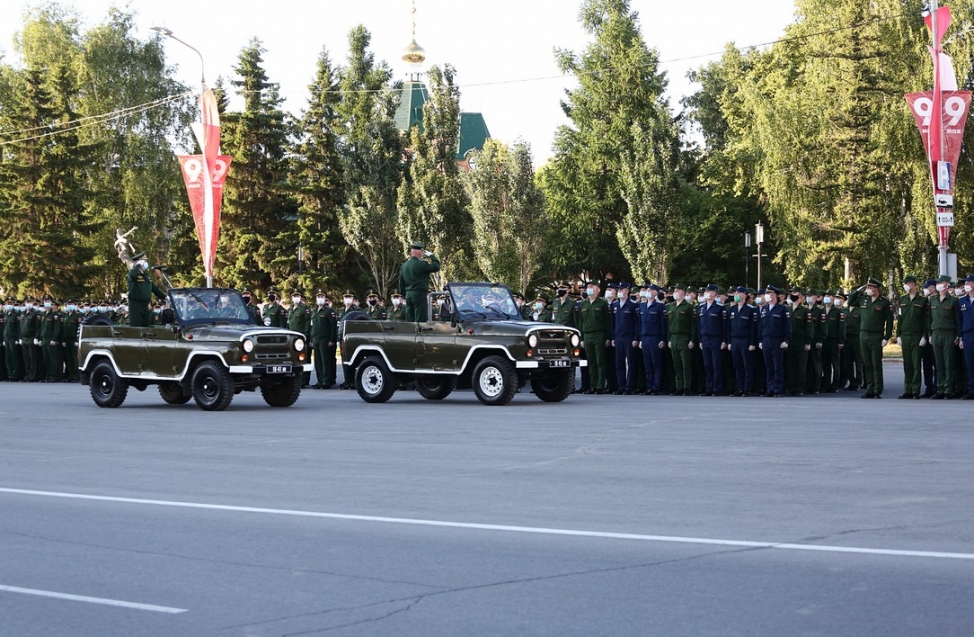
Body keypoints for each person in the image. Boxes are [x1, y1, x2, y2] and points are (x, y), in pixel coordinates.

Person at [853, 277, 894, 399]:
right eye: (867, 287)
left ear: (877, 289)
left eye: (871, 287)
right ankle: (869, 389)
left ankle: (877, 390)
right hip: (863, 334)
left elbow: (890, 321)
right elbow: (851, 300)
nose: (868, 289)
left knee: (876, 364)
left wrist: (887, 337)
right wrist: (858, 290)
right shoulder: (864, 299)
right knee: (867, 363)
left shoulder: (884, 302)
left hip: (876, 335)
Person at [895, 275, 928, 399]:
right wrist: (898, 335)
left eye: (907, 283)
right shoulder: (902, 299)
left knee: (916, 364)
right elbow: (900, 318)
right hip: (905, 334)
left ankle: (915, 390)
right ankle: (907, 390)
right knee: (907, 364)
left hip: (917, 335)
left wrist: (924, 336)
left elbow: (926, 320)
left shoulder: (922, 300)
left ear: (913, 284)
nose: (905, 286)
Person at [927, 274, 959, 399]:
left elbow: (957, 320)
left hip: (948, 333)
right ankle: (939, 389)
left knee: (948, 363)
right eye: (939, 283)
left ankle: (948, 389)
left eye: (942, 283)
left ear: (947, 285)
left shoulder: (953, 301)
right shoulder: (933, 299)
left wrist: (957, 336)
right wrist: (929, 334)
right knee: (938, 363)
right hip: (936, 333)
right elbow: (929, 319)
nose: (940, 285)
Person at [578, 281, 610, 394]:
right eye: (588, 287)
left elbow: (607, 321)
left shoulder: (602, 303)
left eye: (592, 287)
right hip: (587, 335)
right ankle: (593, 385)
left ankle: (600, 385)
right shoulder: (584, 304)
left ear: (598, 289)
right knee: (591, 361)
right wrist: (581, 338)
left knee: (599, 360)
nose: (589, 289)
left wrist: (608, 337)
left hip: (599, 334)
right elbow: (580, 323)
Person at [759, 285, 791, 396]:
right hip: (766, 340)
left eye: (771, 294)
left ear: (776, 296)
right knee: (769, 366)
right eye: (768, 294)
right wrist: (760, 340)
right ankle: (770, 389)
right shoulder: (764, 309)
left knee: (778, 366)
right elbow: (761, 326)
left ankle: (777, 389)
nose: (769, 296)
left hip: (777, 341)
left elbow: (787, 326)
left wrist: (786, 340)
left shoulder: (782, 309)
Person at [727, 285, 758, 396]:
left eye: (738, 293)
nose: (736, 295)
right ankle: (739, 388)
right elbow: (729, 327)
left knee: (747, 365)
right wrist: (729, 342)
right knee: (737, 365)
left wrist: (753, 343)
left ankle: (747, 388)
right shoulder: (732, 309)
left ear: (744, 295)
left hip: (746, 340)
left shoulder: (750, 309)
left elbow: (754, 328)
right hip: (735, 340)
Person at [666, 284, 697, 396]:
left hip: (684, 338)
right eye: (674, 290)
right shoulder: (671, 306)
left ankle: (687, 387)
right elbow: (669, 325)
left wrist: (692, 340)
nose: (675, 292)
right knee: (676, 364)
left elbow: (693, 325)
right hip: (674, 338)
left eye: (677, 290)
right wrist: (669, 339)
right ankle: (678, 386)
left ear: (683, 292)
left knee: (686, 364)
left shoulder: (689, 307)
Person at [636, 284, 667, 395]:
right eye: (648, 289)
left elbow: (663, 324)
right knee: (647, 363)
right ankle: (649, 386)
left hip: (655, 337)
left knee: (656, 363)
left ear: (655, 292)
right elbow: (639, 324)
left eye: (650, 290)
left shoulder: (659, 306)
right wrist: (639, 339)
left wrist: (662, 339)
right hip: (645, 337)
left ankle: (656, 386)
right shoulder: (642, 306)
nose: (648, 291)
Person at [697, 283, 726, 396]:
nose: (707, 293)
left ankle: (716, 388)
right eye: (706, 291)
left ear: (714, 293)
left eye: (709, 291)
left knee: (716, 364)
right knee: (707, 364)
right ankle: (708, 387)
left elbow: (724, 326)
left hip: (716, 338)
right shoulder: (702, 308)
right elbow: (699, 325)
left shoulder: (719, 308)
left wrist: (724, 340)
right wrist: (700, 340)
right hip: (705, 338)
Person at [400, 241, 440, 321]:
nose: (422, 253)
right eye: (422, 251)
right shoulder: (421, 264)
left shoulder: (404, 266)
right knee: (420, 320)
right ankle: (418, 333)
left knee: (410, 319)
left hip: (408, 295)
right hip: (419, 294)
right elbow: (436, 267)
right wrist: (432, 256)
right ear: (419, 252)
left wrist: (404, 295)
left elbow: (401, 283)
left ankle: (411, 333)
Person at [610, 283, 638, 394]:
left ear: (627, 290)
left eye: (621, 289)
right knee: (619, 363)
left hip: (629, 336)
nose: (619, 291)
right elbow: (613, 322)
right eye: (619, 289)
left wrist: (636, 338)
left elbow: (636, 323)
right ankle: (621, 386)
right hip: (618, 336)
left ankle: (629, 386)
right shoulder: (615, 304)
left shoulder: (632, 305)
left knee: (631, 362)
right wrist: (612, 337)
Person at [126, 252, 165, 328]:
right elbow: (133, 275)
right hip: (136, 305)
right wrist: (138, 265)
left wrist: (165, 297)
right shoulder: (132, 273)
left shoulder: (146, 276)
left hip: (146, 305)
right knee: (136, 327)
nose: (146, 263)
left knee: (145, 327)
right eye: (144, 261)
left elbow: (154, 288)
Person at [819, 291, 846, 393]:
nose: (827, 298)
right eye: (825, 296)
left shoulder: (838, 311)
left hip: (834, 341)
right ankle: (826, 384)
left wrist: (841, 341)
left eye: (829, 296)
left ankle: (835, 385)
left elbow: (841, 328)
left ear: (833, 298)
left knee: (835, 364)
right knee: (825, 364)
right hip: (824, 341)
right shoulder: (821, 310)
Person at [311, 289, 338, 389]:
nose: (320, 299)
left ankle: (326, 381)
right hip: (316, 339)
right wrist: (311, 339)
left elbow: (333, 327)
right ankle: (320, 380)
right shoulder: (314, 311)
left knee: (325, 361)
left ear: (325, 298)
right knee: (317, 361)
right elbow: (312, 326)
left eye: (322, 297)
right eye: (318, 297)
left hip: (325, 339)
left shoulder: (329, 311)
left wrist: (332, 340)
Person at [287, 290, 312, 387]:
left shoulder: (304, 309)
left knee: (304, 359)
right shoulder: (290, 309)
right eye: (294, 296)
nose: (296, 297)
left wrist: (306, 336)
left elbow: (307, 323)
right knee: (294, 359)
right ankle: (296, 380)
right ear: (292, 298)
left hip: (302, 338)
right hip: (292, 339)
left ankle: (304, 381)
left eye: (297, 295)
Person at [957, 274, 974, 399]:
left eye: (969, 283)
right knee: (969, 364)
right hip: (967, 335)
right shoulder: (962, 301)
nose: (966, 286)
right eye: (966, 283)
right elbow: (959, 320)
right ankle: (971, 390)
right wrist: (961, 338)